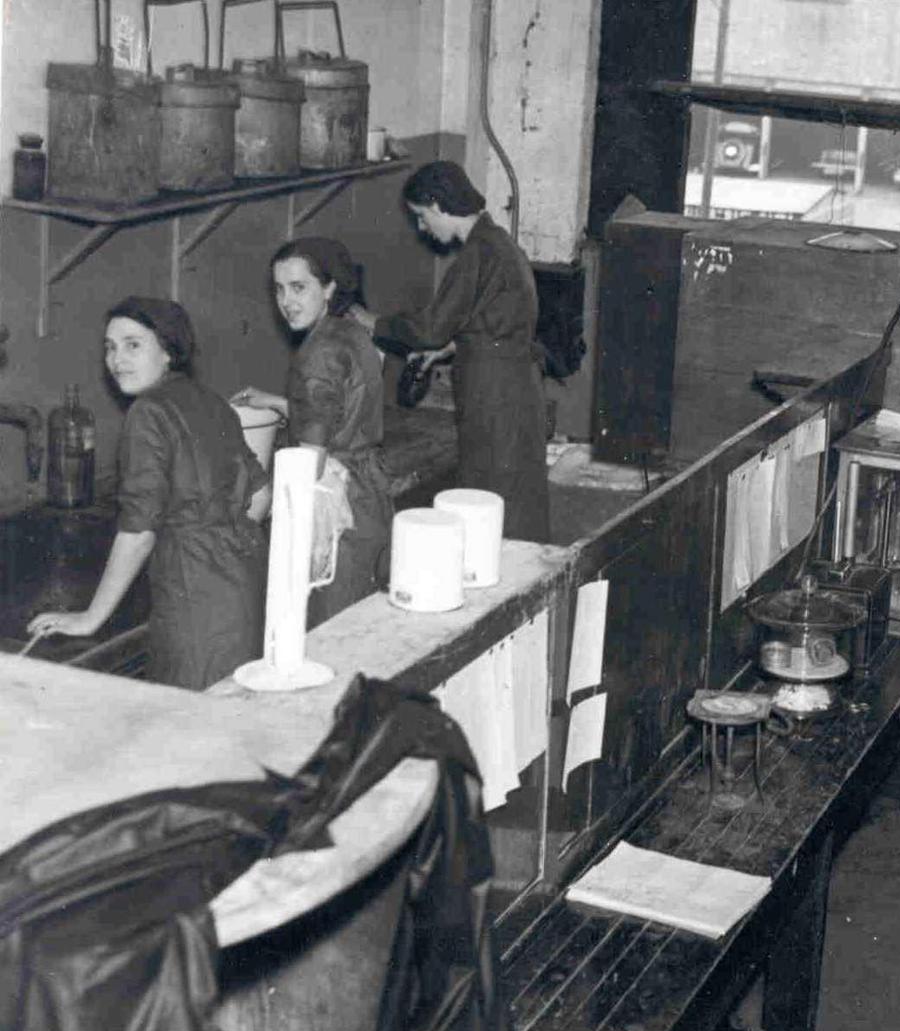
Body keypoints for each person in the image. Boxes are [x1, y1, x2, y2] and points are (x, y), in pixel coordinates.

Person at [28, 298, 269, 690]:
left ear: (169, 350)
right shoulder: (208, 400)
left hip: (193, 601)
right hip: (243, 587)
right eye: (109, 347)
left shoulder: (148, 412)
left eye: (132, 344)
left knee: (187, 725)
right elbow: (261, 492)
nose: (117, 359)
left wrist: (91, 617)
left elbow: (139, 532)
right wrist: (220, 540)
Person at [350, 160, 550, 542]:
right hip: (512, 384)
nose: (423, 228)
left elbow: (429, 326)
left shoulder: (477, 253)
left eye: (423, 217)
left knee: (490, 493)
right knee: (514, 491)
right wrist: (449, 348)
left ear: (439, 205)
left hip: (495, 394)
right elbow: (496, 321)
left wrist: (373, 322)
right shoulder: (498, 244)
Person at [235, 236, 393, 626]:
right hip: (368, 492)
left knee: (330, 633)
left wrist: (258, 503)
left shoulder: (316, 354)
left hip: (335, 504)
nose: (287, 301)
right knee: (362, 622)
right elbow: (336, 411)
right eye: (279, 289)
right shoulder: (352, 332)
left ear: (329, 288)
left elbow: (310, 460)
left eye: (299, 287)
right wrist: (278, 403)